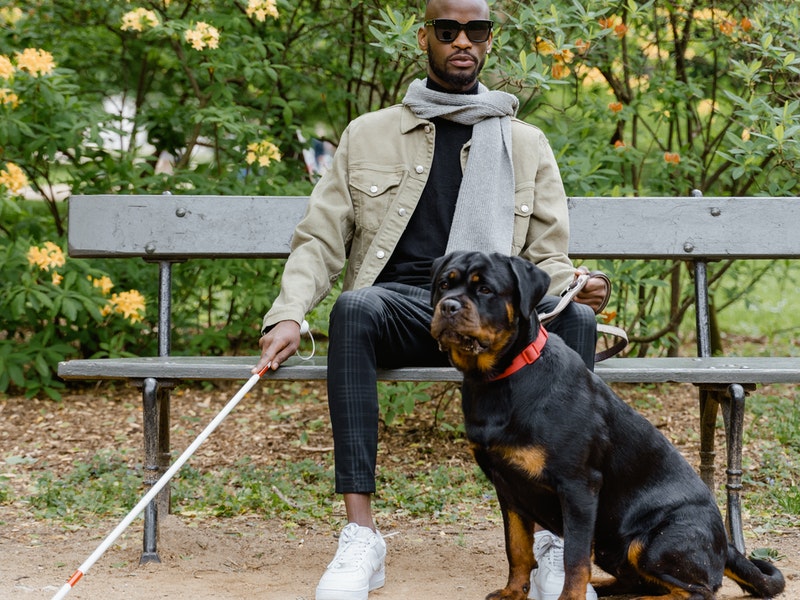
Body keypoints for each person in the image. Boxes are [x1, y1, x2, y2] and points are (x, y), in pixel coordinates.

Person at [253, 0, 609, 598]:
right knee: (354, 307)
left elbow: (546, 256)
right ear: (426, 38)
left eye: (476, 30)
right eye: (448, 30)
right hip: (405, 308)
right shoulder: (369, 134)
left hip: (493, 318)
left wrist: (576, 284)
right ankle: (361, 535)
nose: (462, 41)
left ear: (489, 40)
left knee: (574, 319)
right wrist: (289, 314)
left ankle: (556, 541)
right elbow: (321, 238)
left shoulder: (525, 143)